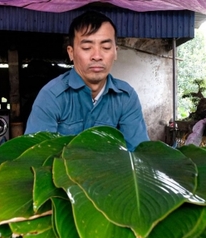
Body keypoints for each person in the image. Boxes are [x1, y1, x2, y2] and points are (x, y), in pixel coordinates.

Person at [24, 11, 149, 151]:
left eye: (106, 47)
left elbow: (138, 154)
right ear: (71, 53)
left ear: (115, 52)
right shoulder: (51, 96)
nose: (97, 56)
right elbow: (36, 156)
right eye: (87, 48)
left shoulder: (126, 97)